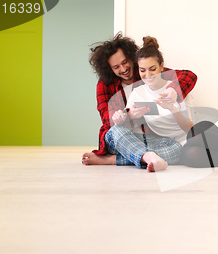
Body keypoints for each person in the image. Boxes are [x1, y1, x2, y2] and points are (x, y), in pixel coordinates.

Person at [120, 36, 218, 168]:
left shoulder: (174, 87)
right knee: (191, 157)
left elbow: (189, 128)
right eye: (142, 70)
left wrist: (172, 108)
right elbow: (126, 125)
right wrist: (130, 116)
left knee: (194, 135)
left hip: (198, 133)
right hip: (174, 145)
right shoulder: (137, 93)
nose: (148, 75)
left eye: (152, 69)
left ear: (162, 66)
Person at [81, 32, 197, 171]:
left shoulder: (144, 71)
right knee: (117, 130)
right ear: (109, 69)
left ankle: (113, 160)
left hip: (149, 140)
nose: (123, 69)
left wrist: (173, 89)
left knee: (176, 148)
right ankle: (146, 158)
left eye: (125, 62)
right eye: (116, 67)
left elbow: (188, 75)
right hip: (121, 138)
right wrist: (128, 116)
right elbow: (108, 121)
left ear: (132, 58)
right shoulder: (105, 85)